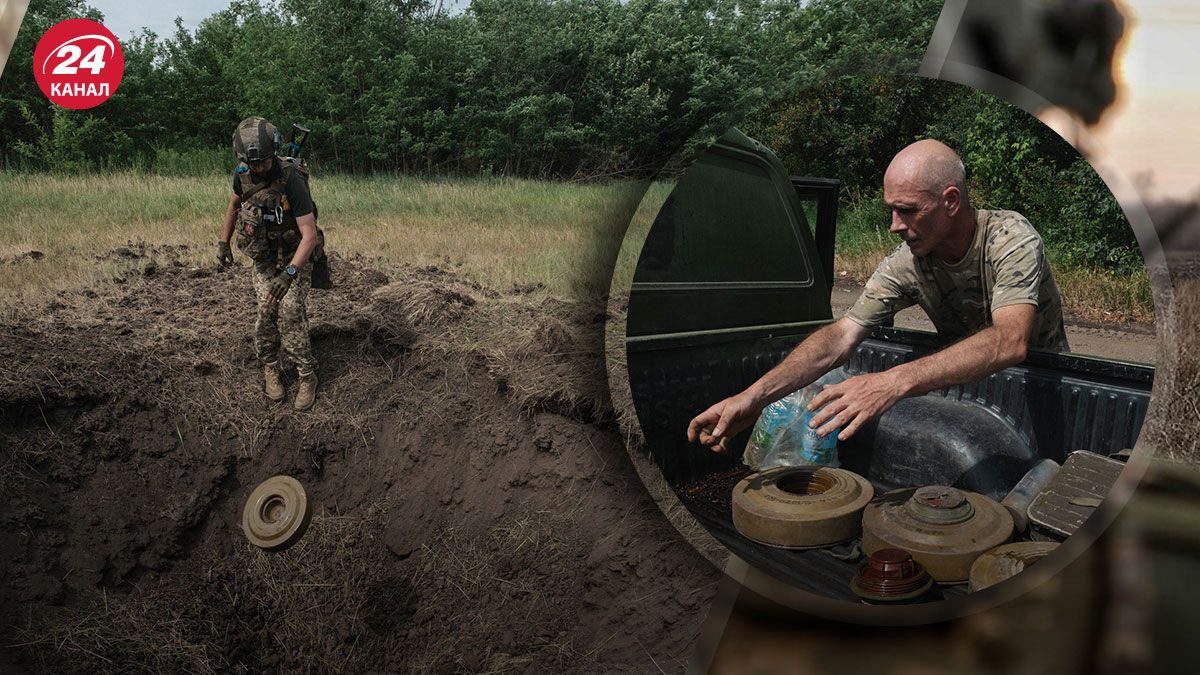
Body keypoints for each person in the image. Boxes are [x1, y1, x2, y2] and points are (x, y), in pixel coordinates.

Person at [687, 139, 1068, 452]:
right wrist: (754, 398)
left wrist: (891, 382)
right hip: (967, 388)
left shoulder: (1009, 238)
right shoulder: (909, 262)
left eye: (907, 210)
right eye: (891, 210)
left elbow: (1009, 341)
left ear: (951, 201)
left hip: (1043, 393)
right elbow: (841, 336)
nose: (894, 226)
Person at [217, 116, 321, 411]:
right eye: (253, 163)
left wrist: (289, 275)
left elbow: (310, 236)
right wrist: (224, 242)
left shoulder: (293, 180)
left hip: (293, 257)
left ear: (273, 154)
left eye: (262, 162)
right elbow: (234, 206)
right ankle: (271, 367)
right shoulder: (242, 174)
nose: (258, 168)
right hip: (264, 257)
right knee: (266, 309)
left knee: (289, 310)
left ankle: (306, 375)